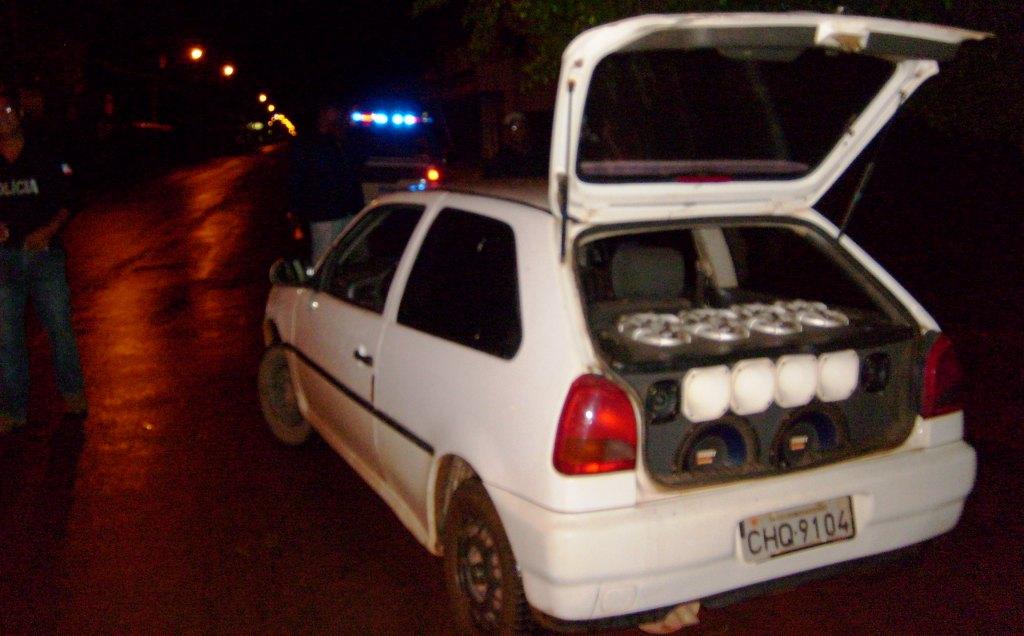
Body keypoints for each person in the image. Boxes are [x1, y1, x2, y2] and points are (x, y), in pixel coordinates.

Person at [0, 88, 86, 433]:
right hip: (4, 260)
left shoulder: (43, 153)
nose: (2, 119)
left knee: (60, 330)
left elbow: (70, 199)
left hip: (44, 258)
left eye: (7, 111)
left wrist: (48, 231)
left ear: (19, 114)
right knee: (7, 339)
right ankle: (13, 410)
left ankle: (73, 396)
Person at [287, 103, 364, 264]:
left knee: (353, 259)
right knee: (325, 259)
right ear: (323, 114)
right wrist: (294, 211)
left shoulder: (341, 140)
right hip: (325, 214)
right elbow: (297, 177)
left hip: (349, 211)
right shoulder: (309, 144)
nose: (337, 115)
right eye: (333, 111)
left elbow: (353, 170)